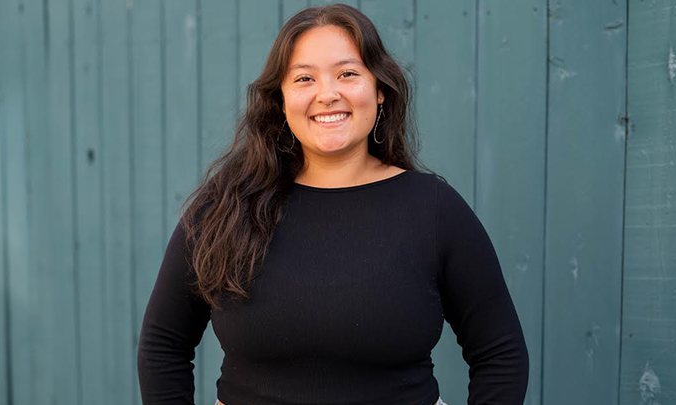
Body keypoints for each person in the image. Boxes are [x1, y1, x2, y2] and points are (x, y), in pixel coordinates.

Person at [137, 4, 529, 405]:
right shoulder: (226, 207)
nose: (327, 94)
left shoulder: (435, 209)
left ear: (379, 90)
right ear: (281, 99)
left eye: (348, 73)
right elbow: (163, 345)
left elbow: (500, 353)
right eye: (304, 78)